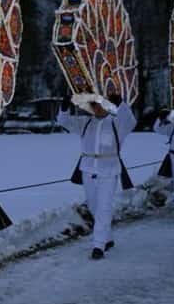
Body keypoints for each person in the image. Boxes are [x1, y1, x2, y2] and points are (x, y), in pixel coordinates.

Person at [57, 92, 136, 259]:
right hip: (88, 170)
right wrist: (64, 107)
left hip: (109, 169)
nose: (97, 109)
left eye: (99, 105)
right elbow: (64, 121)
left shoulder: (117, 123)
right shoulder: (85, 123)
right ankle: (107, 238)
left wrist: (121, 103)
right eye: (93, 106)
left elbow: (130, 121)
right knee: (94, 206)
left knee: (104, 206)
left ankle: (98, 245)